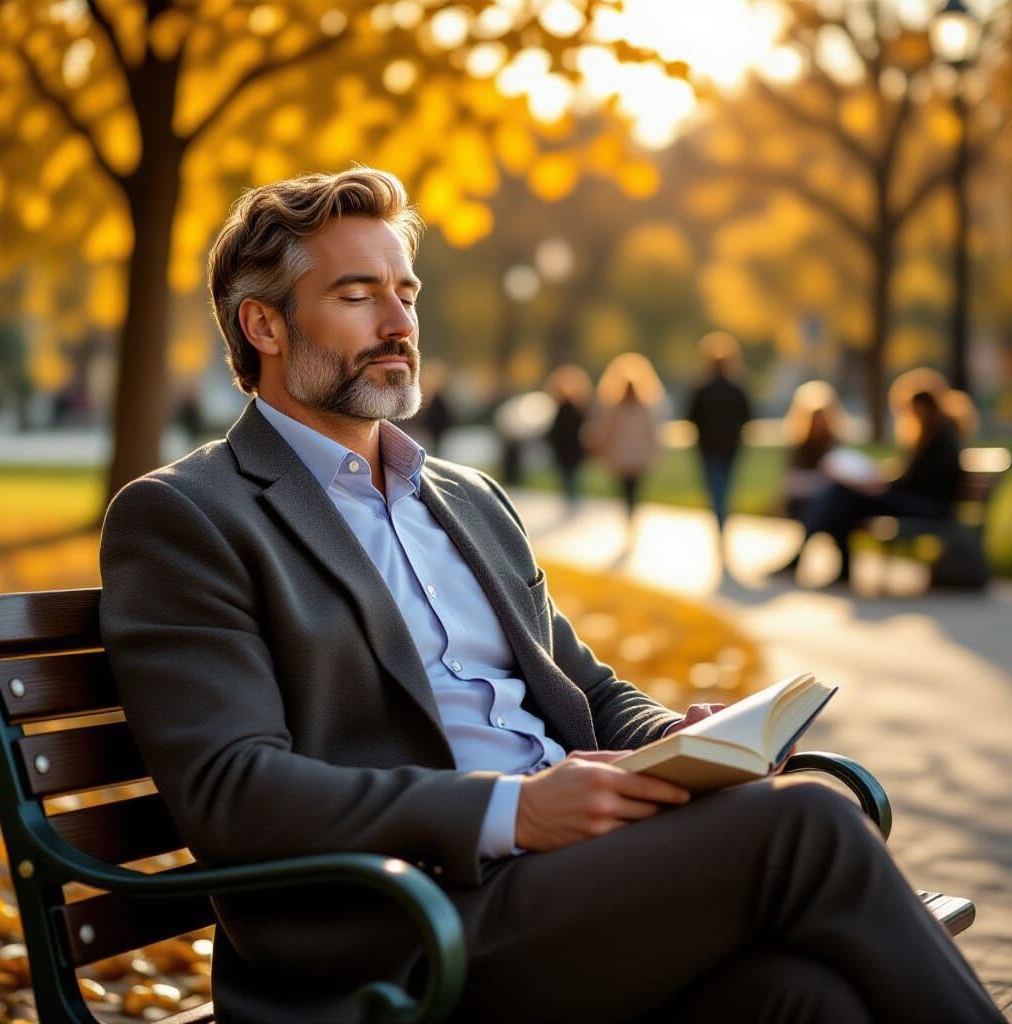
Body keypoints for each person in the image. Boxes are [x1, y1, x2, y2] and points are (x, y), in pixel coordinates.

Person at [99, 170, 1002, 1024]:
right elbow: (233, 789)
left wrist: (676, 743)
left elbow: (585, 689)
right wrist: (511, 809)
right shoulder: (188, 516)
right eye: (357, 294)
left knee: (805, 1000)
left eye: (407, 293)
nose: (398, 320)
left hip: (568, 884)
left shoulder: (466, 499)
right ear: (263, 325)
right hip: (403, 927)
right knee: (805, 820)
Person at [773, 369, 970, 585]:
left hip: (926, 507)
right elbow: (914, 477)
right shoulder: (934, 436)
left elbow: (922, 482)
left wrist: (882, 484)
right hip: (916, 502)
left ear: (923, 408)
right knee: (843, 500)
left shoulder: (940, 440)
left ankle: (803, 557)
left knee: (842, 495)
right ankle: (837, 566)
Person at [685, 331, 751, 533]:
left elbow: (691, 417)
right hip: (727, 447)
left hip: (711, 448)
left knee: (716, 490)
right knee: (724, 489)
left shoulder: (702, 389)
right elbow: (748, 417)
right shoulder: (736, 388)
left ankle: (720, 521)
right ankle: (721, 521)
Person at [589, 353, 664, 522]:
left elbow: (607, 431)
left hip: (622, 456)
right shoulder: (642, 407)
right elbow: (652, 432)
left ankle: (629, 512)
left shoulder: (616, 407)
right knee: (633, 488)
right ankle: (631, 512)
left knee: (626, 488)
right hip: (636, 456)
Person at [780, 379, 848, 520]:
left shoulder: (834, 444)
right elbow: (790, 483)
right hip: (805, 500)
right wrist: (821, 479)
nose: (819, 425)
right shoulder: (799, 447)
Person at [543, 364, 592, 508]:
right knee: (572, 475)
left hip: (564, 450)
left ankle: (570, 497)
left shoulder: (561, 411)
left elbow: (554, 432)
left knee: (567, 476)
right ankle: (573, 497)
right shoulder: (577, 411)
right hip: (574, 450)